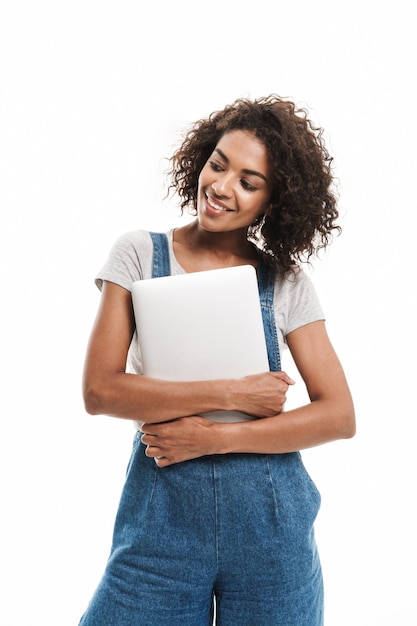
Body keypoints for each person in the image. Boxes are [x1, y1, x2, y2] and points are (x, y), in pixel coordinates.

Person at [78, 94, 355, 626]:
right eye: (219, 165)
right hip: (160, 531)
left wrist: (218, 438)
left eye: (249, 182)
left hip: (272, 536)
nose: (223, 187)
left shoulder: (287, 282)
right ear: (202, 159)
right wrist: (231, 394)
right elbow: (101, 391)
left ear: (274, 200)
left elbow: (339, 415)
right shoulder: (140, 254)